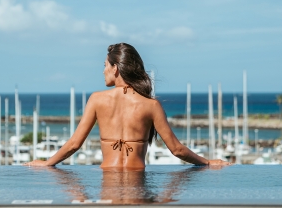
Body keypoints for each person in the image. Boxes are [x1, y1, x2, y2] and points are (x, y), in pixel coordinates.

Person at [27, 43, 229, 170]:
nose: (103, 70)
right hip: (138, 182)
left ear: (115, 69)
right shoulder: (151, 105)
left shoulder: (97, 99)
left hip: (109, 180)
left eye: (105, 66)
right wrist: (208, 162)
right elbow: (176, 150)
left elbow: (74, 145)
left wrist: (46, 163)